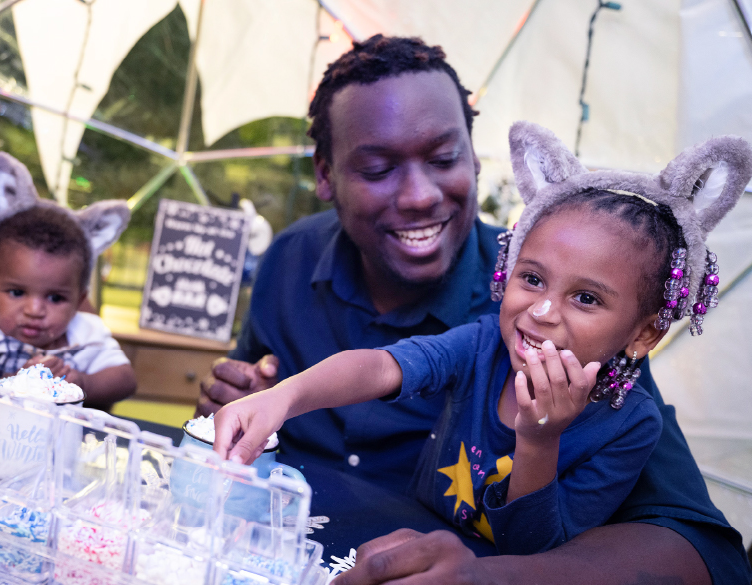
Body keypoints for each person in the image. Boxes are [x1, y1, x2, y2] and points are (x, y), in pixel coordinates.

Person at [198, 35, 751, 583]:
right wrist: (256, 395)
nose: (419, 195)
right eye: (376, 168)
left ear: (475, 156)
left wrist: (494, 574)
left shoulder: (586, 340)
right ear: (325, 174)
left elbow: (703, 548)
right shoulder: (289, 260)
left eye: (443, 158)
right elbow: (283, 385)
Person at [0, 205, 135, 408]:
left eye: (55, 298)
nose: (34, 311)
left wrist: (82, 382)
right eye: (16, 293)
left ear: (78, 302)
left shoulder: (86, 334)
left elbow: (125, 380)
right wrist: (14, 384)